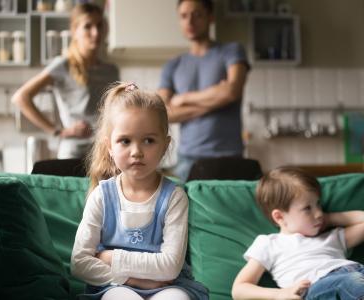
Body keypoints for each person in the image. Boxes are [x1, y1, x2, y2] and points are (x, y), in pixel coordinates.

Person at [71, 82, 209, 300]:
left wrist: (110, 257)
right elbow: (79, 263)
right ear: (110, 147)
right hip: (113, 286)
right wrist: (132, 280)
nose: (137, 152)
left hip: (168, 287)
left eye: (148, 140)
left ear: (165, 145)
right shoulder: (101, 196)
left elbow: (170, 267)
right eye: (125, 141)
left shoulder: (174, 197)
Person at [231, 167, 364, 300]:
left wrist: (329, 219)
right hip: (317, 287)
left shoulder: (332, 237)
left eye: (318, 204)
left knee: (355, 280)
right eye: (307, 208)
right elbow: (239, 289)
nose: (318, 213)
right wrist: (279, 294)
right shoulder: (269, 243)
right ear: (279, 217)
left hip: (356, 274)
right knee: (351, 281)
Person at [157, 0, 250, 182]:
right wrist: (217, 98)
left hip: (228, 156)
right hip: (187, 160)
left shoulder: (232, 51)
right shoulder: (173, 65)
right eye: (184, 16)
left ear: (210, 17)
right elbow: (162, 113)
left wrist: (183, 98)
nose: (190, 21)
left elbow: (232, 92)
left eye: (197, 14)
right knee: (187, 211)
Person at [12, 3, 119, 159]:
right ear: (74, 31)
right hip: (74, 153)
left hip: (105, 153)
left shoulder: (111, 70)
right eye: (87, 26)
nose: (95, 33)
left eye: (99, 25)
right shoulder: (63, 66)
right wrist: (58, 131)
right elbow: (21, 98)